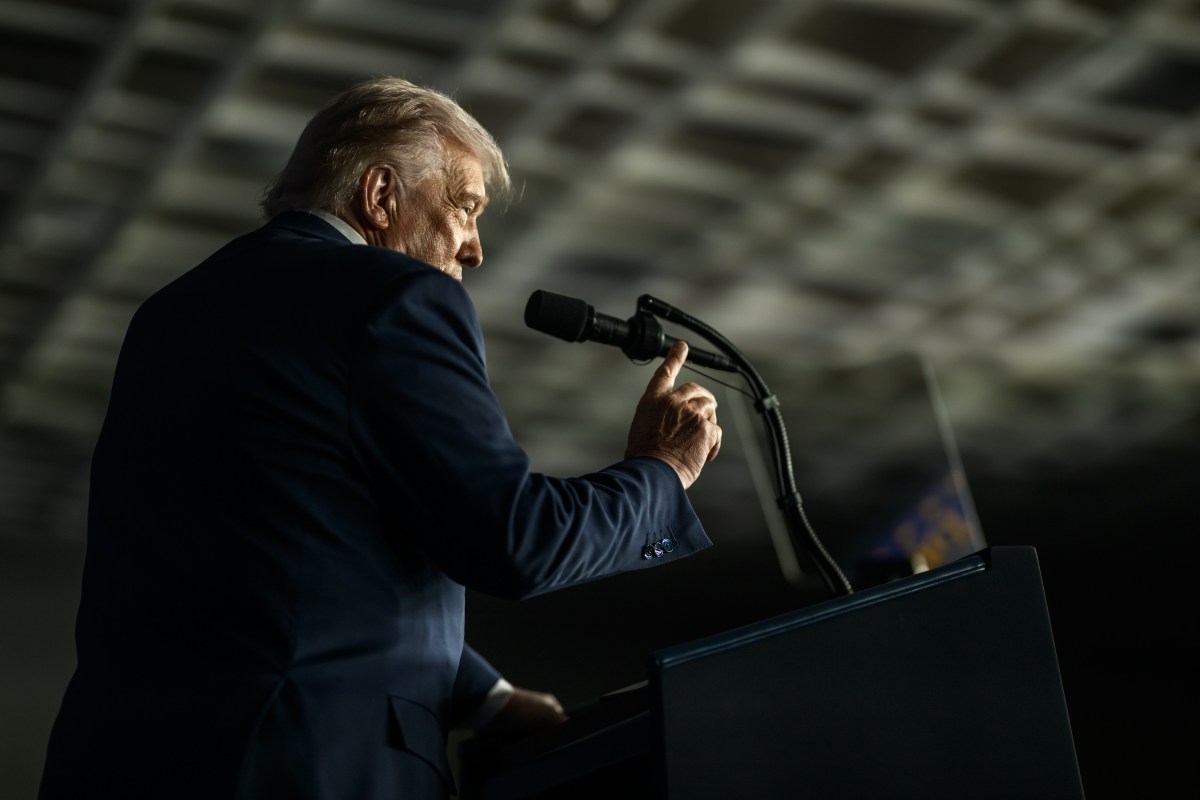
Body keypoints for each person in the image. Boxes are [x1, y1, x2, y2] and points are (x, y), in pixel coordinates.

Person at [38, 77, 722, 799]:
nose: (476, 249)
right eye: (465, 207)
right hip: (304, 768)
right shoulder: (393, 296)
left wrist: (481, 696)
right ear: (381, 196)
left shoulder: (168, 314)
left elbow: (271, 562)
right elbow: (513, 540)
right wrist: (662, 469)